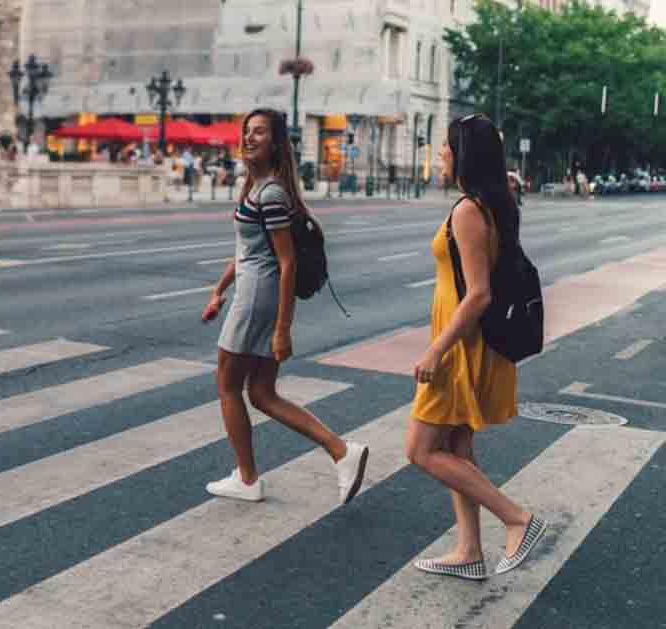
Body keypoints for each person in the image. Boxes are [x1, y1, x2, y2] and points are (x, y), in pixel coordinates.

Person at [200, 108, 369, 504]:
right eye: (247, 131)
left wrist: (282, 328)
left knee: (227, 385)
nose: (249, 137)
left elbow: (287, 260)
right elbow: (246, 252)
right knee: (261, 392)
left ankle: (247, 478)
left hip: (258, 298)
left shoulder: (271, 193)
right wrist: (218, 289)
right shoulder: (259, 189)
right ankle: (342, 452)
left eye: (259, 132)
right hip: (254, 291)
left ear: (276, 143)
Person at [407, 114, 544, 581]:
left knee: (421, 450)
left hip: (460, 346)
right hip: (469, 342)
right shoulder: (490, 204)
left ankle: (517, 519)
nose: (441, 153)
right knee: (456, 445)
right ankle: (468, 550)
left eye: (446, 146)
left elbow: (479, 293)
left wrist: (436, 351)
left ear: (462, 153)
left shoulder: (468, 210)